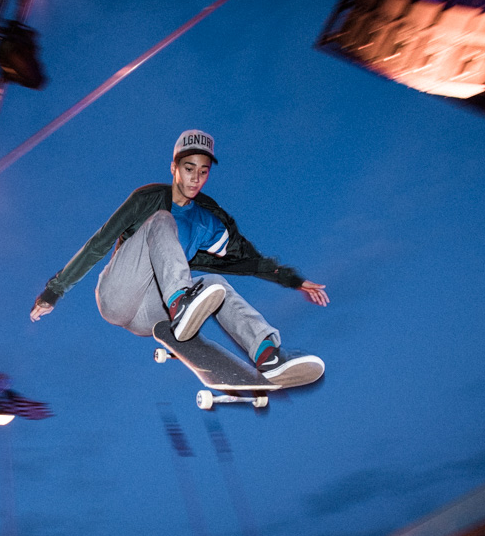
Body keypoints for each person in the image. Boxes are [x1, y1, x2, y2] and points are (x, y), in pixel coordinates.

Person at [30, 129, 328, 384]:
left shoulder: (208, 220)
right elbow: (99, 244)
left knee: (215, 284)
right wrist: (54, 291)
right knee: (161, 221)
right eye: (188, 168)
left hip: (151, 314)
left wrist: (294, 280)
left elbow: (250, 261)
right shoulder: (146, 200)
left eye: (203, 171)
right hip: (117, 294)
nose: (195, 178)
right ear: (173, 167)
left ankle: (267, 357)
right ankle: (181, 305)